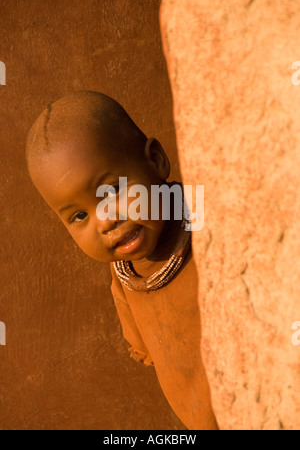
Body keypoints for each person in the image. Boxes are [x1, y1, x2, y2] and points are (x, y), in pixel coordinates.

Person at [25, 91, 218, 430]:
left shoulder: (208, 223)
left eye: (111, 191)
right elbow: (142, 339)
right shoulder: (125, 277)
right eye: (79, 215)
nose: (105, 221)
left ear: (155, 160)